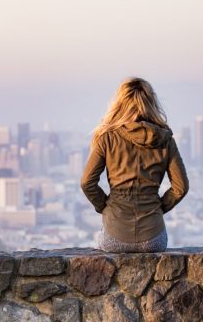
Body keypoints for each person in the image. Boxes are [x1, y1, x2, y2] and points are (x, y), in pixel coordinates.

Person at [80, 76, 189, 252]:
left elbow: (87, 182)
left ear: (120, 103)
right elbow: (181, 187)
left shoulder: (107, 138)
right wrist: (158, 208)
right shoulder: (166, 140)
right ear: (151, 103)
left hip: (115, 234)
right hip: (154, 238)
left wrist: (105, 207)